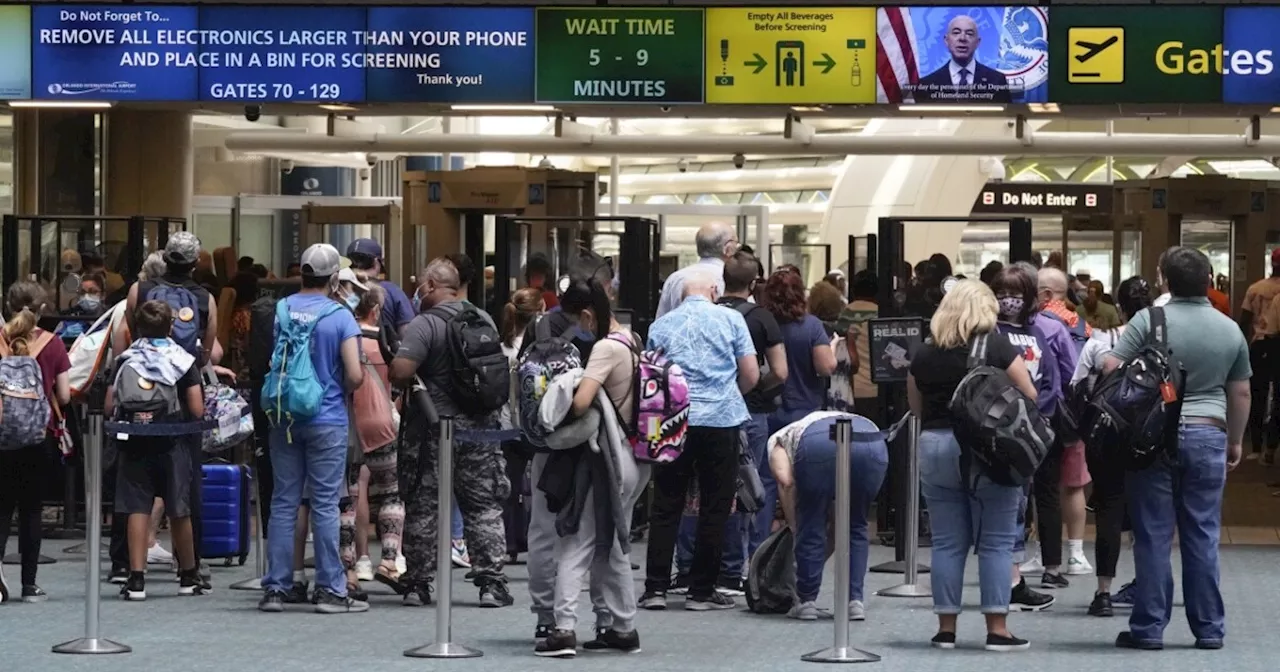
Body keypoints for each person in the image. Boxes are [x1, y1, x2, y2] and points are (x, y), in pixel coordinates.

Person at [1104, 247, 1250, 651]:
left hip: (1154, 436)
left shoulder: (1149, 321)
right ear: (1209, 281)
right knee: (1202, 534)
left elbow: (1111, 369)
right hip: (1209, 435)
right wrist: (1235, 439)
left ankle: (1149, 628)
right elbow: (1240, 391)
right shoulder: (1229, 328)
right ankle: (1209, 629)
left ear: (1165, 280)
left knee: (1152, 534)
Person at [908, 280, 1038, 651]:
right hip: (987, 452)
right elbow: (1029, 395)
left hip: (935, 446)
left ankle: (945, 629)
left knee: (947, 543)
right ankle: (997, 629)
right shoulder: (997, 346)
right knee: (996, 543)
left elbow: (915, 408)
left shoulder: (924, 353)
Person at [534, 276, 650, 657]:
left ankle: (563, 629)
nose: (576, 328)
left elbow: (582, 403)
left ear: (587, 314)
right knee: (613, 543)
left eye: (577, 320)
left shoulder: (604, 348)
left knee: (576, 541)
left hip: (605, 461)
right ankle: (623, 626)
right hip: (635, 459)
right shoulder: (632, 340)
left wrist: (556, 402)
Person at [390, 258, 514, 609]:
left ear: (431, 286)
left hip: (433, 430)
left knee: (424, 505)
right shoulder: (482, 318)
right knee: (482, 506)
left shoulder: (424, 324)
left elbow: (401, 370)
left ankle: (417, 582)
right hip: (480, 430)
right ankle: (491, 582)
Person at [640, 270, 758, 612]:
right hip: (721, 419)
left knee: (666, 503)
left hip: (673, 420)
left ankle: (656, 588)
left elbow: (651, 377)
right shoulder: (732, 319)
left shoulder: (660, 326)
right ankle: (701, 591)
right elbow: (750, 373)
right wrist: (730, 395)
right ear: (713, 290)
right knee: (715, 505)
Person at [258, 243, 367, 615]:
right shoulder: (340, 316)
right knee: (324, 504)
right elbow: (353, 375)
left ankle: (277, 587)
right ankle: (330, 590)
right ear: (334, 277)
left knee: (284, 501)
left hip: (285, 416)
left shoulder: (283, 309)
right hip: (327, 418)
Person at [106, 300, 206, 601]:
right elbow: (197, 409)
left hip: (135, 442)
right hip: (172, 441)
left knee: (137, 507)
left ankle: (136, 578)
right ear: (171, 327)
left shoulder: (125, 359)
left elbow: (110, 405)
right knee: (179, 507)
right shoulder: (182, 359)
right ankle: (188, 575)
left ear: (137, 327)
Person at [988, 264, 1069, 610]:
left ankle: (1017, 576)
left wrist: (1039, 414)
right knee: (1010, 504)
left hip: (1036, 428)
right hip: (1000, 429)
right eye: (1002, 295)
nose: (1009, 302)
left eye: (1016, 295)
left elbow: (1052, 380)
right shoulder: (989, 333)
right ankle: (1008, 576)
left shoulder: (1037, 333)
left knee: (1030, 500)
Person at [1071, 276, 1152, 617]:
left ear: (1119, 307)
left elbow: (1076, 387)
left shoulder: (1099, 343)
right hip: (1149, 438)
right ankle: (1147, 587)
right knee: (1151, 514)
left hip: (1108, 438)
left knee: (1109, 509)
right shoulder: (1159, 346)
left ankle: (1103, 592)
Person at [768, 411, 887, 621]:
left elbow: (786, 482)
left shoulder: (777, 440)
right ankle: (855, 602)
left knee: (811, 521)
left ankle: (806, 602)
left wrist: (794, 525)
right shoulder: (814, 420)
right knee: (856, 524)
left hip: (817, 446)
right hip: (870, 440)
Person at [0, 282, 71, 604]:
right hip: (39, 435)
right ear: (42, 309)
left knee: (2, 510)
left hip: (2, 437)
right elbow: (66, 395)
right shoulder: (53, 344)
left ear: (7, 306)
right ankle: (30, 585)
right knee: (31, 510)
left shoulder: (1, 342)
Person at [718, 252, 787, 559]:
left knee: (712, 487)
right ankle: (749, 558)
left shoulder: (708, 312)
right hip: (753, 409)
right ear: (754, 282)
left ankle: (717, 557)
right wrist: (758, 385)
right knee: (752, 486)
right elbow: (781, 371)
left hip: (711, 410)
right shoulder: (761, 318)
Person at [341, 282, 405, 597]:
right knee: (392, 491)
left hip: (349, 423)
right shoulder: (386, 343)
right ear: (377, 309)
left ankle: (350, 565)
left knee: (350, 495)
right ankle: (390, 561)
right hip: (382, 422)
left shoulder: (346, 339)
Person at [1035, 267, 1092, 578]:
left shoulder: (1037, 324)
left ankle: (1046, 553)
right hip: (1072, 415)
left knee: (1042, 484)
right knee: (1072, 484)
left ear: (1044, 293)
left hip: (1042, 413)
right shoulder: (1080, 323)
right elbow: (1079, 373)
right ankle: (1075, 552)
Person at [499, 287, 543, 564]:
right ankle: (535, 538)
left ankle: (510, 540)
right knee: (539, 483)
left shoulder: (500, 346)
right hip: (534, 423)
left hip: (505, 423)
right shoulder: (537, 350)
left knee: (509, 486)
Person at [763, 268, 837, 433]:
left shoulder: (762, 324)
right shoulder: (812, 326)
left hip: (769, 411)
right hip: (806, 410)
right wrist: (834, 346)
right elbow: (826, 367)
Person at [1240, 250, 1280, 465]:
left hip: (1259, 343)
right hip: (1277, 343)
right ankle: (1272, 444)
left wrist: (1243, 346)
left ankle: (1256, 445)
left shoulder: (1256, 289)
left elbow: (1244, 320)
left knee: (1257, 394)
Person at [915, 16, 1011, 102]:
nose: (962, 38)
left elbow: (1006, 117)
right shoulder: (926, 85)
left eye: (969, 34)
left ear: (977, 42)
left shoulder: (997, 80)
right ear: (946, 40)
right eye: (956, 32)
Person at [655, 222, 740, 318]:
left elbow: (661, 321)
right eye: (736, 243)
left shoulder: (674, 278)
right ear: (727, 249)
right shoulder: (729, 278)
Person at [346, 238, 415, 336]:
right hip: (382, 349)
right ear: (376, 262)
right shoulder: (392, 291)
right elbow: (407, 331)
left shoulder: (339, 290)